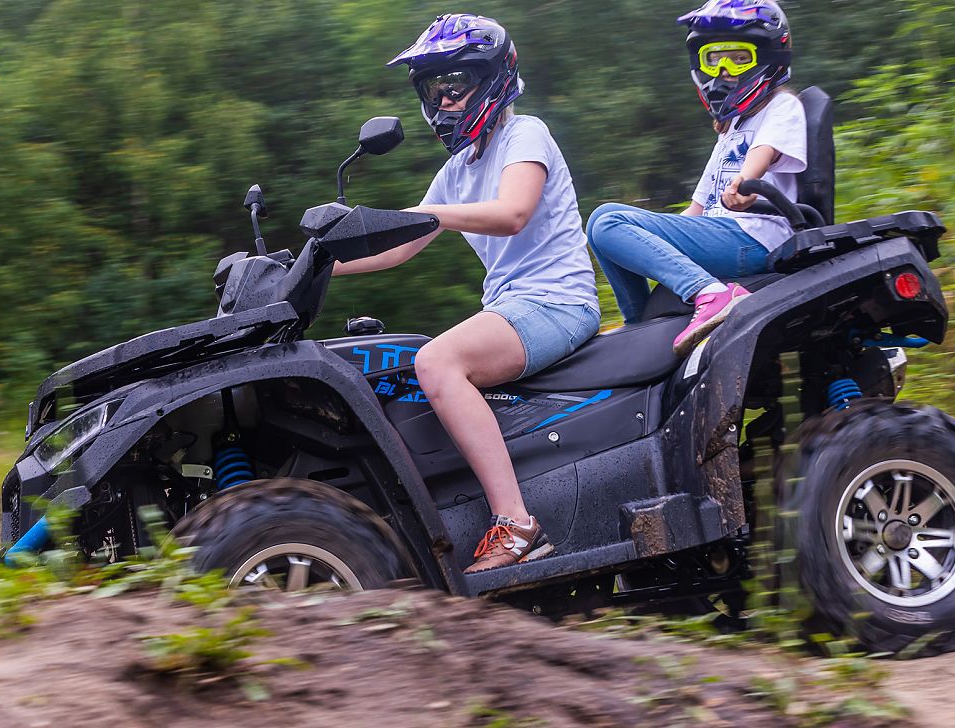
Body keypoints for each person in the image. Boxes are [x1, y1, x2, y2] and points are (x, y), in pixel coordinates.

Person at [334, 13, 600, 573]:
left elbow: (512, 213)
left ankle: (517, 525)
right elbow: (401, 246)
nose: (443, 103)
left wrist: (430, 214)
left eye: (454, 86)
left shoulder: (525, 134)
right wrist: (309, 264)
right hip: (513, 307)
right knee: (396, 370)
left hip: (558, 302)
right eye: (433, 91)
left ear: (493, 78)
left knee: (436, 361)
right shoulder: (459, 167)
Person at [586, 0, 806, 356]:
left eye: (739, 58)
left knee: (609, 221)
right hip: (721, 235)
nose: (724, 71)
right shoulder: (731, 128)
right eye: (713, 60)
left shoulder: (782, 106)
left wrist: (744, 183)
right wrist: (648, 240)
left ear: (768, 57)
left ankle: (713, 294)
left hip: (754, 237)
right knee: (602, 224)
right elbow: (697, 209)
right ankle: (641, 326)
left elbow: (764, 151)